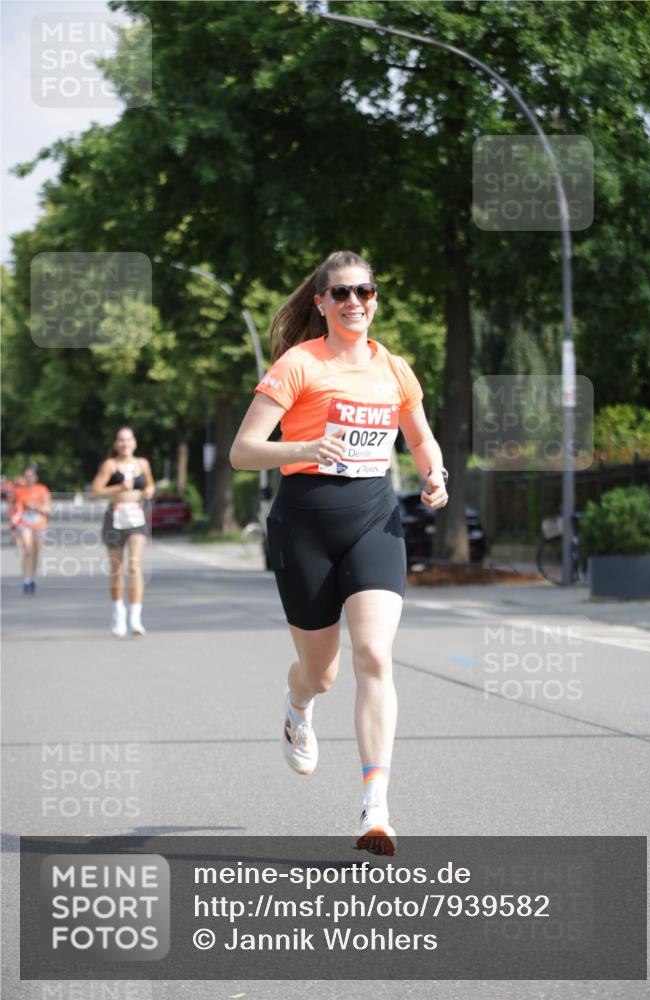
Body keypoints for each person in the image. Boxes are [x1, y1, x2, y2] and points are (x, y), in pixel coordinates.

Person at [230, 250, 449, 856]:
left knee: (375, 654)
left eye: (366, 291)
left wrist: (436, 474)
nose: (356, 302)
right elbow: (243, 451)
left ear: (376, 298)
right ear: (322, 303)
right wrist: (304, 444)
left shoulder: (395, 369)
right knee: (322, 673)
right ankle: (297, 703)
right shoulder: (298, 364)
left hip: (374, 519)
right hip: (304, 524)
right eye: (343, 293)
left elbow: (421, 437)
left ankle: (375, 808)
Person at [90, 427, 155, 637]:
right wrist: (118, 488)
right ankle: (119, 611)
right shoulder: (110, 465)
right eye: (121, 440)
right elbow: (95, 492)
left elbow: (151, 485)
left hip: (136, 516)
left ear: (134, 442)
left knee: (135, 565)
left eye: (129, 440)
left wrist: (148, 491)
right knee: (117, 569)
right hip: (115, 517)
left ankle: (135, 617)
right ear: (116, 444)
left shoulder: (142, 464)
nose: (125, 444)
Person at [9, 466, 52, 594]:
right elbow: (13, 510)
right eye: (26, 476)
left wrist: (36, 507)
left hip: (39, 524)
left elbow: (48, 508)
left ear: (36, 477)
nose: (29, 478)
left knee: (36, 553)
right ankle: (26, 580)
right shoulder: (19, 491)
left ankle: (32, 577)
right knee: (28, 550)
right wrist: (13, 528)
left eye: (31, 475)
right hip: (24, 524)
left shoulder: (42, 490)